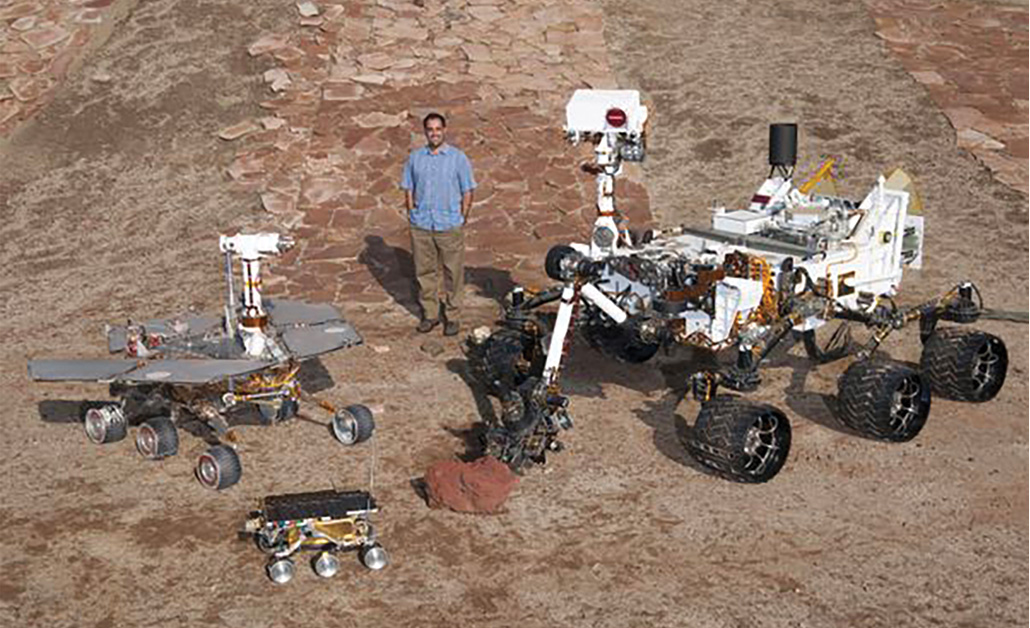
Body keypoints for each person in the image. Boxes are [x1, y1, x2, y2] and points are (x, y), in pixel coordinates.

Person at [400, 112, 476, 336]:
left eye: (438, 129)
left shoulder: (458, 158)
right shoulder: (415, 158)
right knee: (425, 273)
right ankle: (430, 315)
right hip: (422, 224)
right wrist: (412, 212)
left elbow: (468, 190)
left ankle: (452, 317)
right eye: (430, 129)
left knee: (453, 273)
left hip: (449, 224)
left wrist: (462, 217)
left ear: (444, 130)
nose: (434, 133)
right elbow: (408, 187)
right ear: (425, 132)